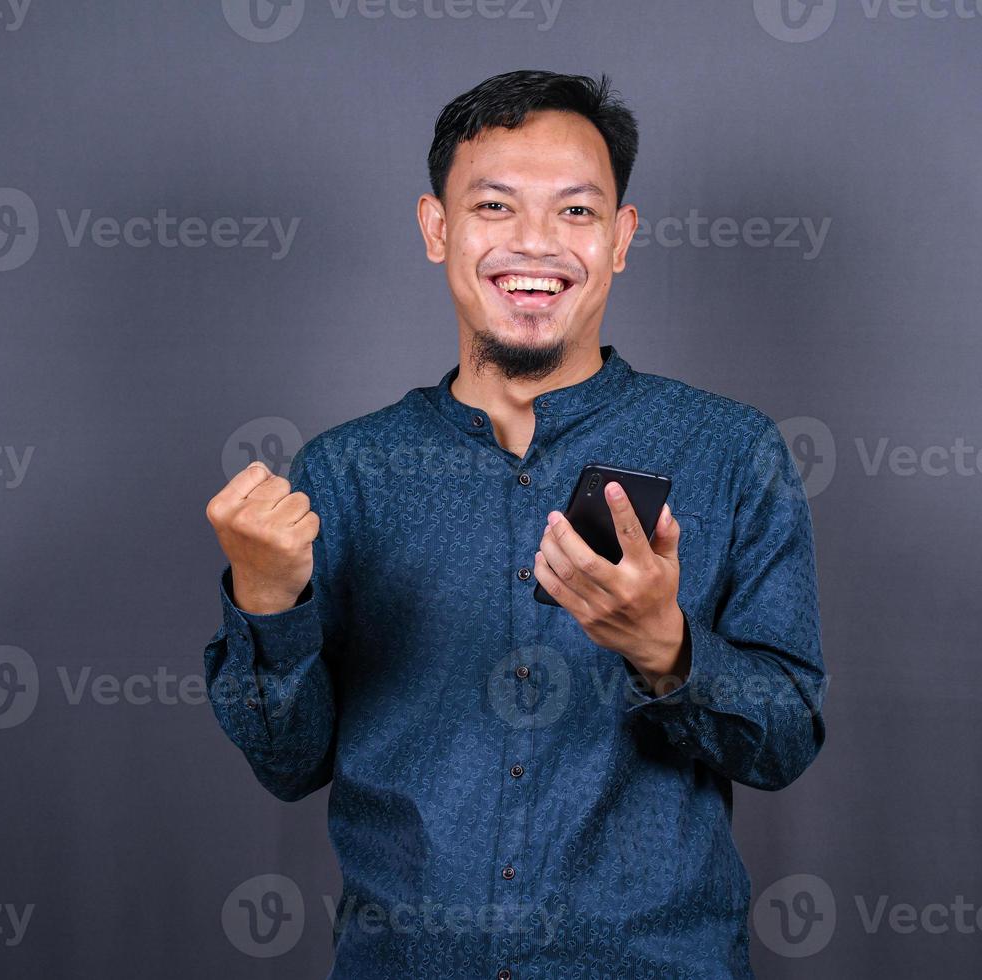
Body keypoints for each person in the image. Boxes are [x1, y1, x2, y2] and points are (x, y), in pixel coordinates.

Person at [203, 69, 827, 979]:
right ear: (437, 229)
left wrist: (668, 649)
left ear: (620, 240)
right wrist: (265, 601)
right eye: (495, 206)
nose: (537, 242)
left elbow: (787, 741)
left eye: (577, 212)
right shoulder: (345, 473)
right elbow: (288, 764)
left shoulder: (730, 451)